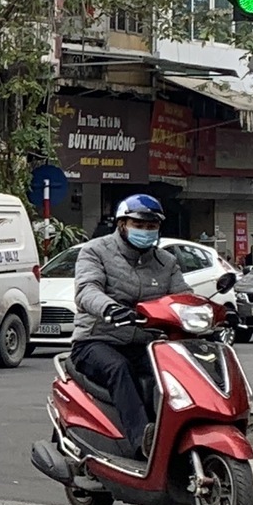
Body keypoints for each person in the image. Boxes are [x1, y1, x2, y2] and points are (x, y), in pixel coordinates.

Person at [70, 193, 188, 462]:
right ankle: (141, 441)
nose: (145, 231)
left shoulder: (165, 262)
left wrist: (210, 312)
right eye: (139, 225)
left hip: (146, 343)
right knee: (118, 368)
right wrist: (109, 308)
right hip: (97, 340)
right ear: (122, 224)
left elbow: (183, 297)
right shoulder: (95, 251)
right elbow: (87, 290)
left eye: (151, 227)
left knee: (180, 372)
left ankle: (176, 434)